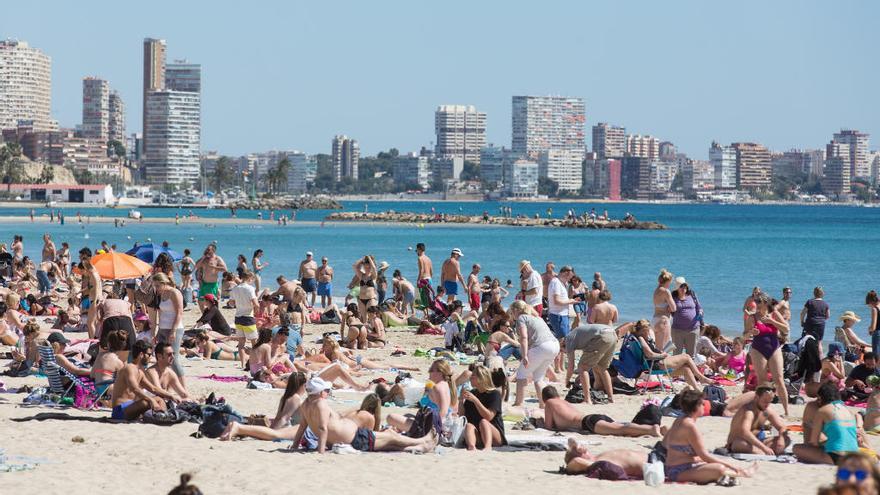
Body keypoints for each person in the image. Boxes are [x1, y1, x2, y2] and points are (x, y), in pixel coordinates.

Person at [290, 377, 436, 453]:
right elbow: (322, 428)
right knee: (391, 437)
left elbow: (302, 427)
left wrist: (295, 446)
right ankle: (423, 440)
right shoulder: (320, 404)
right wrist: (320, 451)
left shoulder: (305, 405)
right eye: (326, 391)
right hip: (354, 438)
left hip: (352, 437)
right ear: (321, 392)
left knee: (390, 443)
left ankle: (421, 446)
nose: (327, 393)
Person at [663, 389, 756, 484]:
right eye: (702, 404)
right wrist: (732, 466)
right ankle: (742, 473)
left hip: (674, 467)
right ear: (696, 406)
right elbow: (704, 456)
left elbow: (666, 444)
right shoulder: (689, 426)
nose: (705, 406)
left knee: (716, 462)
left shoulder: (680, 419)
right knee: (719, 468)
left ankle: (736, 472)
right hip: (678, 472)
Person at [542, 386, 662, 437]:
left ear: (544, 398)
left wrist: (539, 422)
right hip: (593, 417)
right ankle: (661, 430)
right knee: (622, 427)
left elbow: (548, 426)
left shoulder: (549, 403)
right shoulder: (564, 402)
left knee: (621, 430)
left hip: (588, 423)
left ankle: (651, 429)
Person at [220, 372, 308, 441]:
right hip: (287, 428)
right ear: (302, 385)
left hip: (284, 426)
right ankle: (237, 427)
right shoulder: (295, 398)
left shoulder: (286, 396)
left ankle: (236, 427)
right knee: (273, 435)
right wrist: (273, 430)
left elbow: (278, 416)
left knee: (267, 433)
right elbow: (284, 418)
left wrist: (271, 428)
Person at [632, 320, 714, 390]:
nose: (649, 333)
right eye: (647, 331)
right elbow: (649, 354)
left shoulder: (641, 338)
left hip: (656, 362)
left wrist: (661, 352)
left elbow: (650, 353)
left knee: (686, 368)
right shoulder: (641, 339)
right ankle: (701, 377)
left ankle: (696, 389)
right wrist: (662, 355)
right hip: (656, 364)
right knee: (686, 356)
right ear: (643, 331)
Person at [745, 293, 791, 416]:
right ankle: (762, 409)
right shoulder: (752, 317)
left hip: (774, 348)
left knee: (779, 379)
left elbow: (786, 329)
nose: (756, 304)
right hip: (758, 349)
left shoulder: (775, 314)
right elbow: (743, 335)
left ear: (766, 302)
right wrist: (751, 332)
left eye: (759, 302)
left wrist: (772, 321)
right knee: (762, 381)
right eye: (756, 301)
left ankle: (786, 411)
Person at [793, 381, 860, 464]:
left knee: (796, 448)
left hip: (835, 456)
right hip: (853, 456)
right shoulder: (849, 411)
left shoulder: (822, 411)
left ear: (820, 397)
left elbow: (814, 442)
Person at [508, 300, 559, 407]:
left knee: (521, 375)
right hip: (554, 345)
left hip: (541, 346)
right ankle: (544, 404)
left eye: (512, 312)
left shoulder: (522, 318)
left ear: (516, 310)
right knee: (538, 378)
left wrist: (525, 355)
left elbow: (524, 338)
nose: (512, 315)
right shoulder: (537, 317)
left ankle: (518, 403)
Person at [110, 340, 176, 421]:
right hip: (120, 410)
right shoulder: (129, 368)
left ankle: (164, 417)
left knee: (159, 399)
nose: (150, 357)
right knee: (148, 402)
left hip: (131, 407)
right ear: (141, 354)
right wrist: (151, 400)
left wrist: (171, 396)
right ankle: (161, 417)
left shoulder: (140, 371)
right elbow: (134, 388)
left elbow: (153, 388)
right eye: (148, 354)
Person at [387, 359, 456, 432]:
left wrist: (433, 428)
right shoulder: (446, 384)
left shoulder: (438, 387)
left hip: (432, 428)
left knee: (390, 417)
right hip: (439, 423)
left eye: (431, 370)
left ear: (440, 372)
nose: (429, 371)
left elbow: (443, 412)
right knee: (407, 416)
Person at [724, 385, 790, 455]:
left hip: (757, 441)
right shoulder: (749, 411)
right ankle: (763, 452)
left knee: (786, 439)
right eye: (765, 401)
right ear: (756, 397)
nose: (767, 404)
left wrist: (781, 439)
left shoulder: (767, 410)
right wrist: (764, 448)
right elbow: (745, 432)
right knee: (740, 444)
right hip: (740, 441)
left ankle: (762, 451)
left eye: (769, 401)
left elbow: (782, 427)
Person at [565, 323, 618, 404]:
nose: (565, 353)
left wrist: (567, 380)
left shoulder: (568, 340)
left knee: (582, 367)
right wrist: (579, 378)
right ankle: (611, 398)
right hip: (613, 334)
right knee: (602, 368)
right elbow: (591, 362)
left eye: (563, 351)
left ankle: (587, 400)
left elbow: (571, 366)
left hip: (602, 336)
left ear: (562, 344)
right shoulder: (579, 337)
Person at [459, 365, 507, 451]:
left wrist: (476, 401)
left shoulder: (494, 394)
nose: (470, 378)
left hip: (495, 436)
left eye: (473, 376)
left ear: (481, 378)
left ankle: (488, 447)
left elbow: (489, 417)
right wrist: (460, 400)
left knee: (484, 422)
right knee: (469, 426)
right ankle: (471, 447)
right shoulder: (473, 393)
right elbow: (462, 416)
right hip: (479, 434)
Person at [154, 272, 186, 388]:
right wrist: (158, 331)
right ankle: (166, 387)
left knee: (173, 359)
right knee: (162, 359)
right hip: (163, 328)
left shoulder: (175, 292)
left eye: (157, 286)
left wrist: (173, 330)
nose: (156, 288)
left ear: (164, 283)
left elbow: (179, 313)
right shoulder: (162, 294)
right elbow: (161, 313)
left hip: (175, 329)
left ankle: (183, 388)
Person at [563, 438, 648, 479]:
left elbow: (571, 440)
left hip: (653, 456)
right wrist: (576, 453)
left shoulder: (598, 457)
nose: (583, 450)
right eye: (579, 452)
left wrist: (575, 446)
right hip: (653, 466)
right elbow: (573, 463)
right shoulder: (597, 464)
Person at [546, 265, 576, 373]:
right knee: (561, 341)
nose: (570, 279)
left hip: (562, 314)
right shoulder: (556, 282)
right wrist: (571, 301)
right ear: (565, 273)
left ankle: (561, 366)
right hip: (557, 315)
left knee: (564, 341)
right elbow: (557, 301)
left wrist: (570, 300)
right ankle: (557, 367)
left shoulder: (562, 283)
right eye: (570, 277)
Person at [230, 270, 259, 369]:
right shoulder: (250, 288)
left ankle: (242, 364)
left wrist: (239, 303)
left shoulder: (235, 288)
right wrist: (257, 310)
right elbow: (256, 304)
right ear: (250, 278)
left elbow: (231, 303)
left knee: (241, 343)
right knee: (254, 343)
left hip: (238, 317)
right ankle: (254, 362)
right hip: (248, 317)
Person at [96, 291, 135, 358]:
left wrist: (97, 336)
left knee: (104, 347)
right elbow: (131, 319)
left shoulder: (104, 301)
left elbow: (99, 319)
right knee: (128, 346)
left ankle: (101, 361)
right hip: (126, 320)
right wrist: (133, 335)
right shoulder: (125, 303)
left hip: (110, 320)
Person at [670, 276, 703, 357]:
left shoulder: (692, 295)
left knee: (691, 355)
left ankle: (689, 370)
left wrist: (700, 314)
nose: (684, 288)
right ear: (677, 288)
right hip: (677, 330)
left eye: (685, 286)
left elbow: (699, 307)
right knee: (677, 355)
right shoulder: (672, 298)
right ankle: (677, 370)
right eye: (681, 286)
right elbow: (668, 310)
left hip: (693, 329)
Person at [194, 244, 227, 310]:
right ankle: (204, 315)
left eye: (209, 249)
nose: (207, 251)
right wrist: (203, 257)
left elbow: (225, 269)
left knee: (212, 302)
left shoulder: (217, 259)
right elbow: (196, 266)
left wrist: (214, 267)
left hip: (212, 284)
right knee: (200, 301)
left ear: (213, 250)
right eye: (207, 249)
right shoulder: (204, 259)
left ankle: (213, 315)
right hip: (204, 283)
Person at [79, 248, 102, 339]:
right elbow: (92, 286)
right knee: (94, 322)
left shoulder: (93, 273)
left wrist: (94, 302)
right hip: (94, 298)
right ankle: (92, 339)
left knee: (90, 322)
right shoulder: (93, 273)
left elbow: (96, 287)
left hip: (95, 299)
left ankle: (93, 341)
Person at [651, 269, 676, 351]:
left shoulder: (656, 290)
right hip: (663, 320)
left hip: (655, 320)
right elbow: (674, 308)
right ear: (668, 281)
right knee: (664, 349)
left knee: (658, 349)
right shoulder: (666, 291)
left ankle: (656, 363)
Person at [353, 256, 378, 321]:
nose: (367, 268)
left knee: (371, 317)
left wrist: (369, 258)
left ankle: (374, 330)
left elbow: (374, 268)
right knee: (364, 319)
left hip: (370, 299)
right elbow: (354, 266)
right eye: (366, 267)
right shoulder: (361, 275)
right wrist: (362, 259)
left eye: (369, 267)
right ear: (363, 267)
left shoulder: (373, 276)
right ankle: (366, 331)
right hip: (361, 300)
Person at [415, 242, 433, 313]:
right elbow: (432, 271)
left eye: (416, 250)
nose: (416, 252)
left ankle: (426, 314)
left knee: (421, 299)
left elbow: (421, 270)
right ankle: (428, 314)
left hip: (423, 280)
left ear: (419, 249)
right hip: (429, 279)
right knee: (428, 298)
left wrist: (418, 280)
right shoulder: (428, 259)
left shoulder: (420, 258)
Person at [866, 291, 880, 357]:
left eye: (868, 304)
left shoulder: (874, 309)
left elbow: (873, 327)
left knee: (876, 355)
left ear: (871, 302)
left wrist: (869, 330)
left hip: (877, 334)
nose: (869, 306)